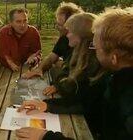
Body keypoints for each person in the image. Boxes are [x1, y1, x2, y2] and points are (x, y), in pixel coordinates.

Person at [16, 12, 106, 140]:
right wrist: (47, 105)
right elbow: (82, 100)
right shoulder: (81, 55)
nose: (66, 34)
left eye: (69, 31)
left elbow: (77, 96)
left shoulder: (95, 64)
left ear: (81, 35)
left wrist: (45, 136)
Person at [92, 8, 133, 139]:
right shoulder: (117, 80)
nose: (94, 52)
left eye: (96, 48)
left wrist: (48, 137)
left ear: (114, 58)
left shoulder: (126, 96)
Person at [22, 2, 83, 78]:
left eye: (60, 25)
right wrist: (40, 69)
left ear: (72, 24)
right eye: (56, 23)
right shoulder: (64, 38)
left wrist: (62, 64)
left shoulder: (84, 42)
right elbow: (51, 58)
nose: (56, 27)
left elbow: (78, 70)